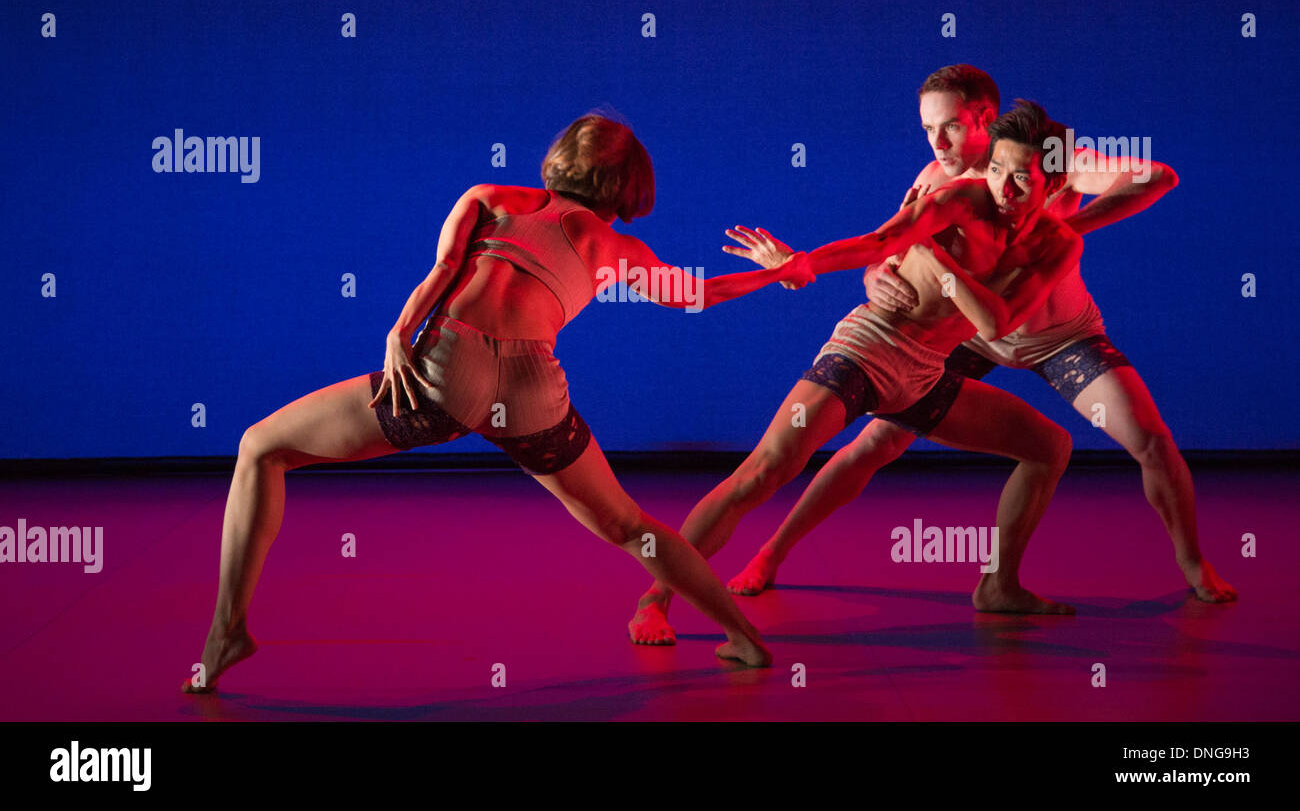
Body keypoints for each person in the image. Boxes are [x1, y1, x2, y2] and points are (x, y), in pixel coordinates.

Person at [183, 112, 818, 692]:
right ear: (628, 185)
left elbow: (442, 273)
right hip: (533, 390)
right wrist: (776, 271)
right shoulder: (614, 248)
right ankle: (745, 637)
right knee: (630, 527)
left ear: (562, 156)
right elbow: (695, 295)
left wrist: (399, 332)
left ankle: (227, 631)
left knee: (260, 448)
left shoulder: (490, 197)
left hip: (446, 375)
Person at [728, 66, 1235, 604]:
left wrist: (1059, 231)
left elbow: (1156, 176)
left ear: (984, 120)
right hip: (973, 334)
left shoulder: (1045, 161)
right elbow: (887, 246)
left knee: (1149, 438)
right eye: (926, 129)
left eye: (947, 126)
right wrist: (874, 276)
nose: (936, 142)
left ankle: (1192, 563)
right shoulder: (936, 180)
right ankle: (772, 551)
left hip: (1059, 336)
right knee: (876, 441)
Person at [629, 100, 1086, 646]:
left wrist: (938, 263)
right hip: (867, 350)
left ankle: (998, 585)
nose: (1002, 189)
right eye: (995, 170)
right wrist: (803, 262)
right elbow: (878, 243)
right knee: (765, 471)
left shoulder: (1058, 243)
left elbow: (996, 321)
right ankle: (654, 600)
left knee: (1050, 447)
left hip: (926, 373)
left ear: (1054, 182)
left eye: (1020, 179)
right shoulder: (959, 200)